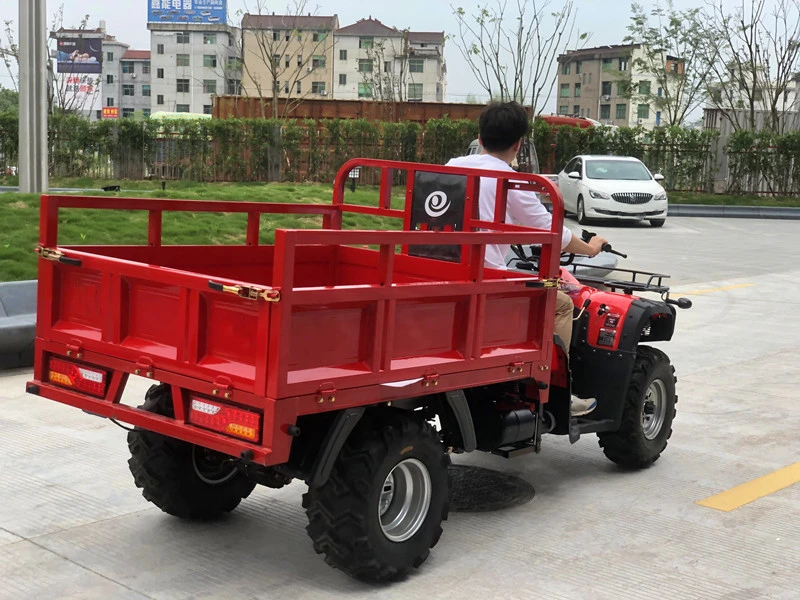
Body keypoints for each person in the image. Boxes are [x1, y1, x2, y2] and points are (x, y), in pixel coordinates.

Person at [447, 102, 608, 417]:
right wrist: (591, 246)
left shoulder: (451, 166)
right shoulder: (514, 182)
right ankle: (553, 387)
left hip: (438, 270)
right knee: (560, 302)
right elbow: (551, 232)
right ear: (519, 144)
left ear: (479, 137)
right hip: (483, 280)